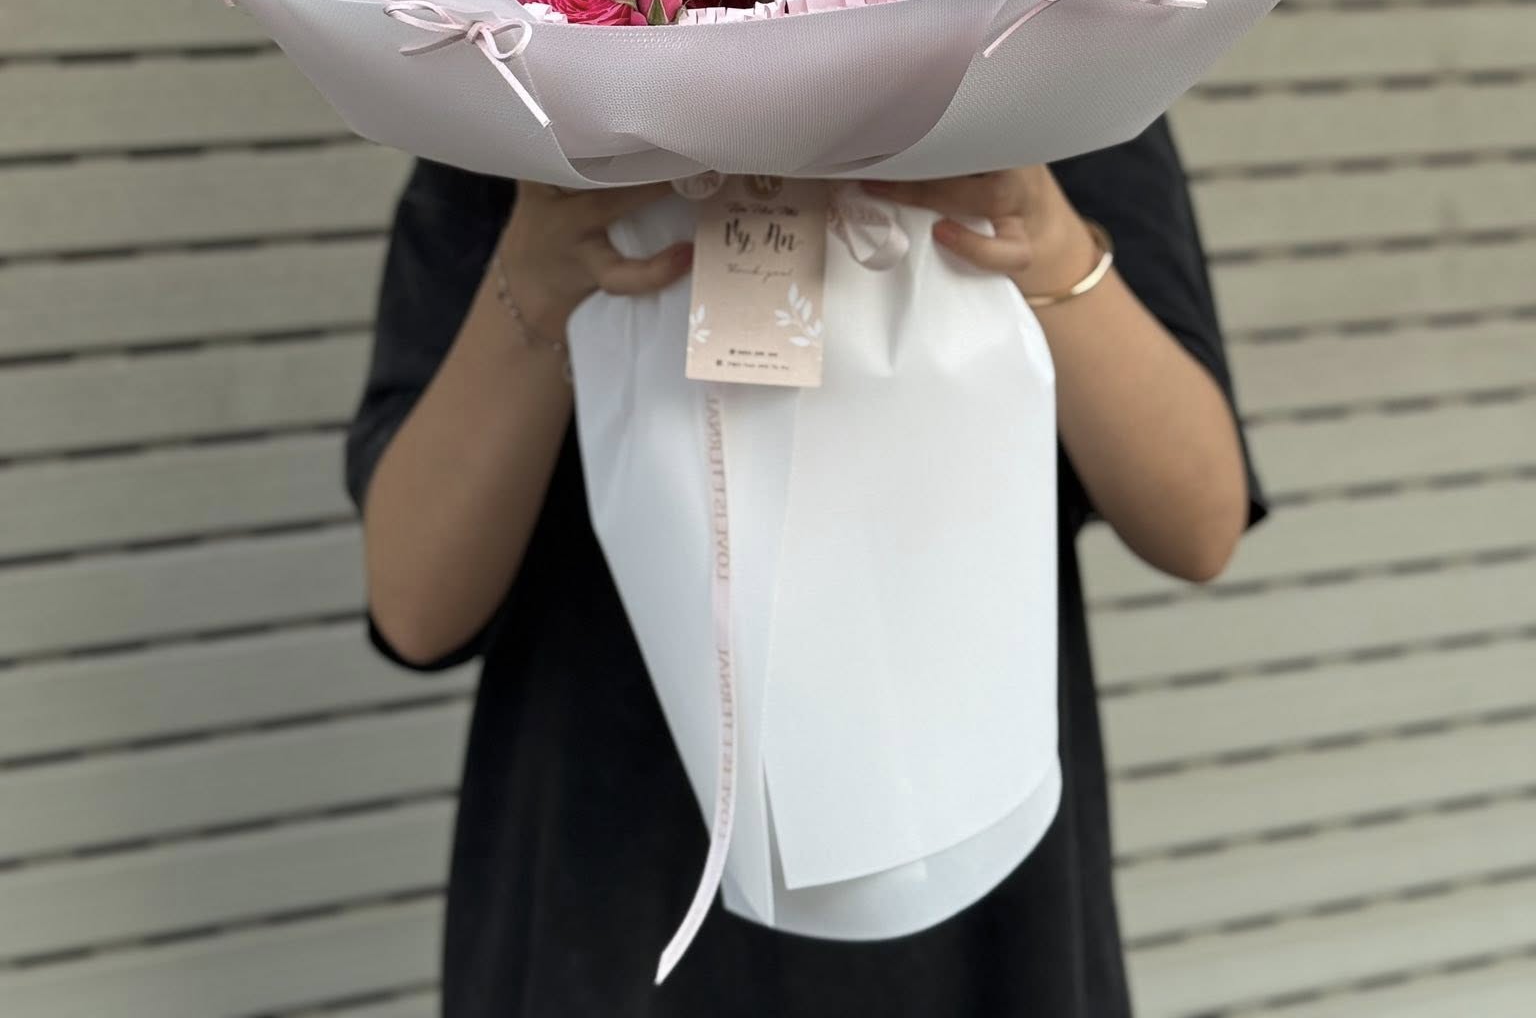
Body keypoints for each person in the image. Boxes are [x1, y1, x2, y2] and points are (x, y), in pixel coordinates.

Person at [347, 119, 1264, 1016]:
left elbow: (1196, 523)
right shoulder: (522, 95)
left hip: (967, 872)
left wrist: (1047, 237)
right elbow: (418, 606)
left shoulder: (1046, 74)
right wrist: (538, 278)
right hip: (614, 885)